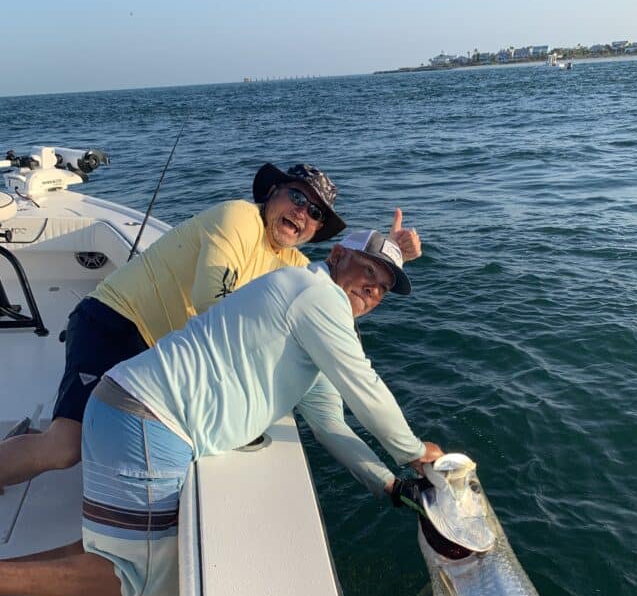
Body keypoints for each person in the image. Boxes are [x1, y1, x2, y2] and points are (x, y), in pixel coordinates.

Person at [0, 230, 442, 596]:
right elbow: (366, 387)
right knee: (136, 579)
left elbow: (331, 424)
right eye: (369, 273)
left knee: (124, 555)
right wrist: (416, 452)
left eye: (383, 288)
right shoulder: (316, 295)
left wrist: (388, 485)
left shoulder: (311, 315)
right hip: (149, 421)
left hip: (131, 410)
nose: (373, 291)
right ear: (338, 256)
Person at [0, 162, 422, 489]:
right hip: (115, 321)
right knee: (65, 448)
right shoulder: (239, 218)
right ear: (272, 193)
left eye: (315, 213)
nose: (302, 212)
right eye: (297, 196)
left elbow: (332, 302)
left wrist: (383, 263)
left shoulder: (295, 265)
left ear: (316, 233)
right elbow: (210, 304)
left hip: (160, 357)